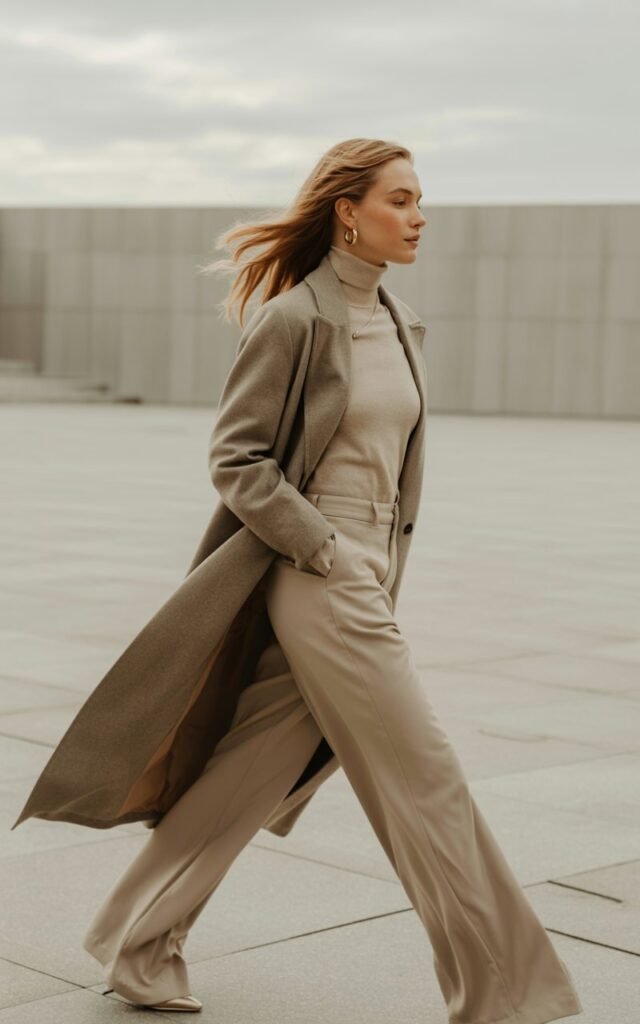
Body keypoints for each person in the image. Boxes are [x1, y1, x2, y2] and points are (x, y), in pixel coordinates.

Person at [80, 138, 584, 1022]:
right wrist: (323, 549)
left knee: (253, 763)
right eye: (400, 199)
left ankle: (138, 942)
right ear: (348, 211)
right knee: (424, 776)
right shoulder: (295, 319)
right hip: (322, 570)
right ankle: (504, 994)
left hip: (370, 568)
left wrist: (371, 562)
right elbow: (238, 459)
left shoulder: (398, 321)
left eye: (421, 200)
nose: (419, 216)